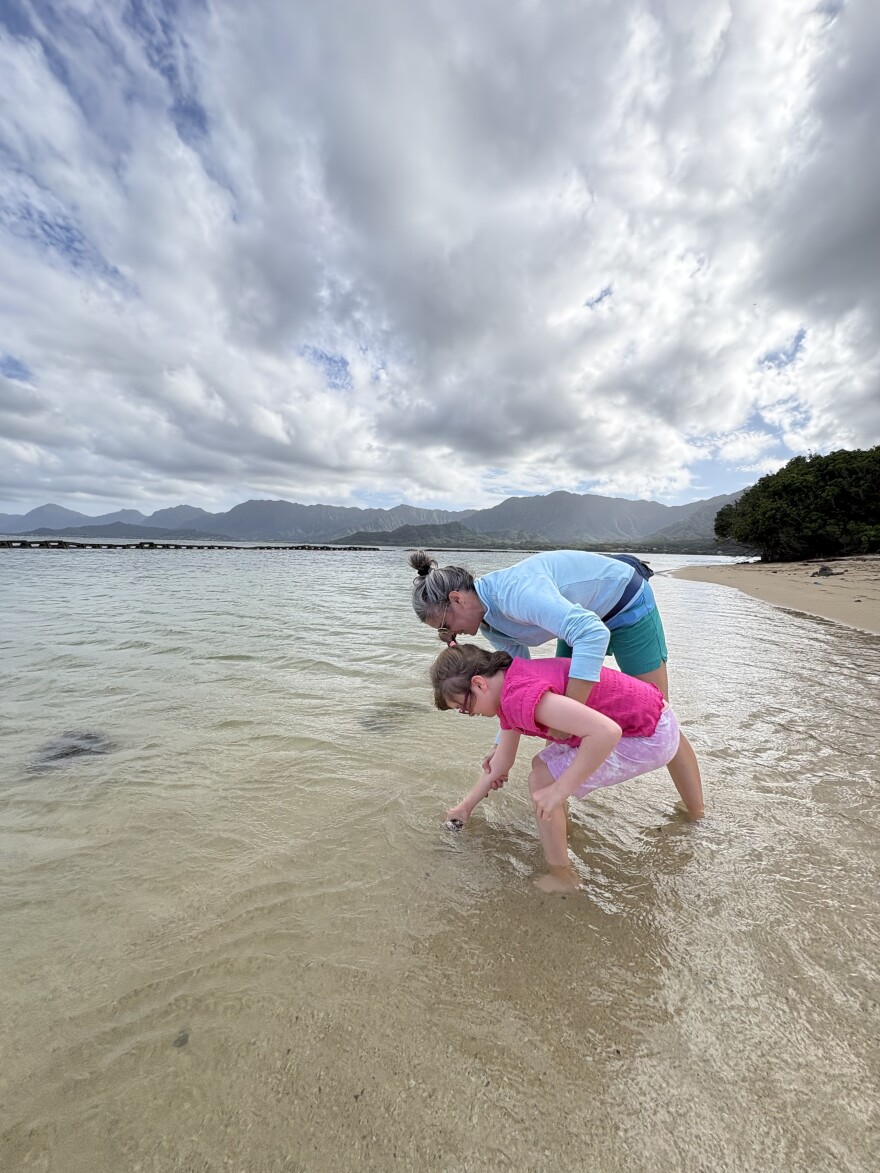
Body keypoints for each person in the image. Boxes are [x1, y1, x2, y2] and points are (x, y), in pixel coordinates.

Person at [430, 643, 704, 893]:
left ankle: (563, 875)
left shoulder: (518, 696)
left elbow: (606, 732)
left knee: (543, 783)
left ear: (478, 684)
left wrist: (560, 791)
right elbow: (502, 761)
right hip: (653, 717)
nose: (468, 714)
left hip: (650, 734)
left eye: (463, 708)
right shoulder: (509, 687)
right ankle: (562, 830)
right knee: (541, 765)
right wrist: (466, 807)